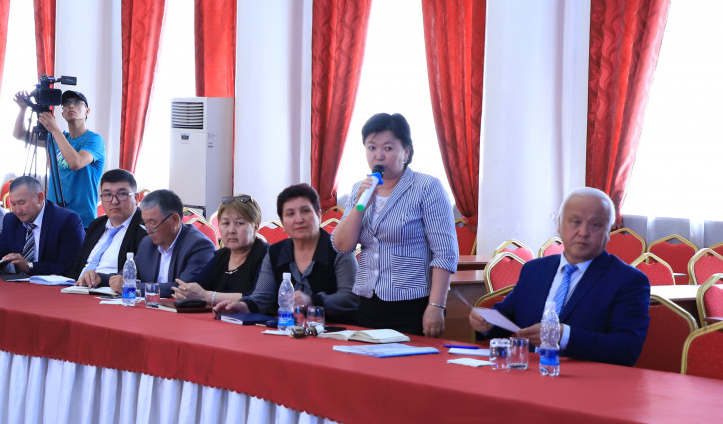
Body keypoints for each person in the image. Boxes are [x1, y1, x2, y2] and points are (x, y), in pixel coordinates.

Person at [469, 187, 650, 366]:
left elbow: (626, 350)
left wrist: (563, 336)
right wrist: (485, 322)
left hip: (584, 380)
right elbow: (506, 317)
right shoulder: (534, 270)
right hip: (527, 375)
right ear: (560, 225)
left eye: (595, 224)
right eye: (575, 222)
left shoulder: (628, 281)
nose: (583, 232)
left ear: (609, 231)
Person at [331, 113, 456, 337]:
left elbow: (445, 253)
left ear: (406, 151)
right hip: (368, 300)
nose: (379, 155)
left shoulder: (427, 187)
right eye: (371, 147)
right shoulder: (361, 188)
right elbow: (342, 246)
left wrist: (436, 306)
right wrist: (360, 207)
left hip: (412, 303)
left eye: (388, 148)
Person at [13, 88, 105, 227]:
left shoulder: (94, 139)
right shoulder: (57, 137)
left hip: (81, 218)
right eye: (66, 104)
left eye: (77, 102)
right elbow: (19, 134)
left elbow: (76, 162)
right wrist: (23, 109)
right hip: (53, 215)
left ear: (87, 111)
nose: (71, 106)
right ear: (62, 114)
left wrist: (55, 130)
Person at [268, 184, 359, 320]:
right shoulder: (273, 252)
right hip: (286, 327)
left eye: (305, 211)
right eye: (290, 214)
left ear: (318, 214)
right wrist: (242, 305)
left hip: (335, 328)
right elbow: (262, 296)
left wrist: (312, 301)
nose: (299, 220)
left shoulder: (339, 248)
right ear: (282, 222)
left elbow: (351, 298)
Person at [174, 195, 276, 313]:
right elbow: (196, 286)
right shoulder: (221, 255)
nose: (231, 230)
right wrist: (185, 292)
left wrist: (208, 296)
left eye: (239, 223)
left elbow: (256, 297)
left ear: (255, 227)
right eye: (226, 223)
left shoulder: (267, 255)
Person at [111, 189, 215, 298]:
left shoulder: (199, 246)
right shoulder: (147, 243)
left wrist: (131, 287)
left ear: (174, 220)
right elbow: (127, 275)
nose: (148, 230)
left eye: (152, 223)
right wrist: (112, 279)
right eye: (145, 223)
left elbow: (184, 289)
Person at [0, 175, 85, 274]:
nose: (18, 211)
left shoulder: (67, 220)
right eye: (13, 204)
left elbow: (70, 267)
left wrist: (29, 266)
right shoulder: (11, 220)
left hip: (51, 283)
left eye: (21, 203)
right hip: (18, 282)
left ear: (40, 198)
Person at [65, 169, 148, 286]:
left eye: (122, 194)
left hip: (111, 292)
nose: (114, 201)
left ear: (136, 198)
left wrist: (102, 279)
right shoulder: (96, 225)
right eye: (108, 195)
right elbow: (78, 266)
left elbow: (140, 274)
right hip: (77, 288)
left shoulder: (145, 228)